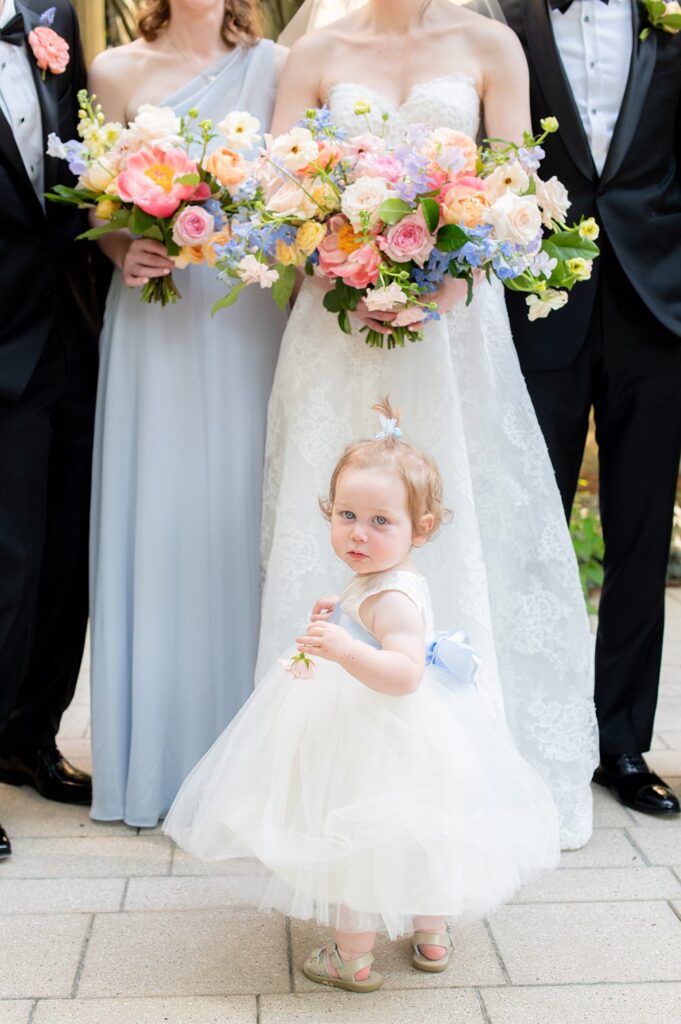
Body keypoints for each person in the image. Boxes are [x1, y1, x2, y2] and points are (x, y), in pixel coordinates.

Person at [256, 0, 598, 849]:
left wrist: (450, 273)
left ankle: (466, 779)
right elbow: (275, 186)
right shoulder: (317, 51)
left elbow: (516, 179)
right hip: (337, 326)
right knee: (336, 512)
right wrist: (340, 255)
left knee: (456, 511)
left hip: (454, 326)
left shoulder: (490, 45)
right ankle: (319, 784)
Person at [165, 399, 560, 991]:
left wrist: (347, 650)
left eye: (381, 522)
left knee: (356, 840)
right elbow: (375, 630)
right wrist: (340, 621)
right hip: (399, 727)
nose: (358, 532)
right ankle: (430, 936)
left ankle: (353, 956)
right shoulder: (382, 581)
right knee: (424, 832)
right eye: (347, 514)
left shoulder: (391, 595)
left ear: (420, 530)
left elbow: (403, 673)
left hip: (382, 733)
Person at [87, 0, 287, 827]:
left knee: (239, 510)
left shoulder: (276, 66)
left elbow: (297, 191)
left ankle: (252, 768)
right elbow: (98, 206)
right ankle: (158, 764)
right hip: (157, 313)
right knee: (160, 512)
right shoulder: (116, 72)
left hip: (244, 306)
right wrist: (120, 244)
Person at [498, 0, 681, 816]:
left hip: (658, 308)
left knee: (640, 533)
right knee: (528, 529)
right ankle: (527, 738)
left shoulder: (669, 19)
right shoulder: (501, 18)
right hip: (537, 303)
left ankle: (623, 744)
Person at [0, 0, 100, 859]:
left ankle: (30, 736)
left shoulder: (53, 14)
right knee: (5, 564)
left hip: (73, 330)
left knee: (66, 553)